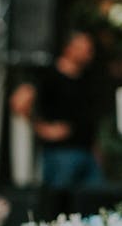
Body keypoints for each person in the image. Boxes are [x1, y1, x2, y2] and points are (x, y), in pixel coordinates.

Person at [32, 31, 105, 189]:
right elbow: (22, 102)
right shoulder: (50, 75)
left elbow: (88, 117)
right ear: (69, 48)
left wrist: (95, 149)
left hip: (86, 152)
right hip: (61, 153)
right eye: (84, 49)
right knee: (59, 203)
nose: (88, 54)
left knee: (94, 202)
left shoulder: (86, 78)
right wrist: (43, 129)